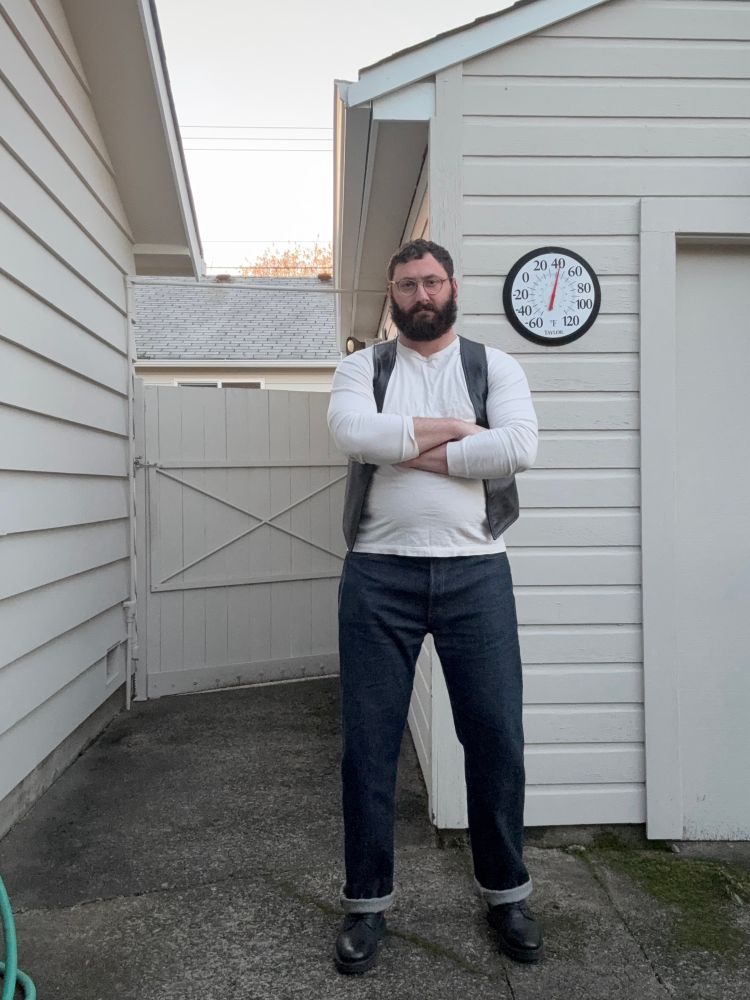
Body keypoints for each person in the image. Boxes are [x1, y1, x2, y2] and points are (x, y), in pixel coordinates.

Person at [327, 238, 543, 974]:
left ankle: (507, 894)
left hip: (476, 574)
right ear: (391, 296)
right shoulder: (364, 369)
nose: (421, 294)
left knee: (496, 738)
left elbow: (517, 448)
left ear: (452, 286)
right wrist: (458, 431)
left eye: (431, 281)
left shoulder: (493, 366)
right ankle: (366, 903)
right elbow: (350, 433)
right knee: (368, 746)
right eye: (407, 285)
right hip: (377, 575)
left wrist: (404, 446)